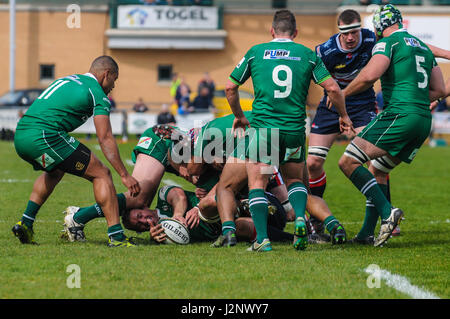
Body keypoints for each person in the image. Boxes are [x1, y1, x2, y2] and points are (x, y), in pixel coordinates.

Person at [216, 10, 354, 252]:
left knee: (258, 182)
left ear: (272, 31)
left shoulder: (256, 52)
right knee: (294, 180)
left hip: (264, 131)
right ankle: (300, 218)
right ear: (296, 33)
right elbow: (332, 88)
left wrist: (239, 116)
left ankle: (262, 240)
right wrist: (343, 116)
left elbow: (230, 87)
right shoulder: (307, 55)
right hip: (294, 130)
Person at [338, 4, 446, 247]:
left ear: (379, 26)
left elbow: (369, 76)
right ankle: (366, 233)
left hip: (400, 115)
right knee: (378, 171)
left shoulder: (388, 43)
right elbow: (439, 90)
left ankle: (388, 212)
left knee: (347, 161)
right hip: (422, 122)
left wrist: (342, 94)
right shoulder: (424, 49)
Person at [12, 55, 140, 247]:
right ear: (107, 74)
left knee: (55, 171)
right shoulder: (97, 92)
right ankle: (117, 237)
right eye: (115, 79)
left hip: (21, 135)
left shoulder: (67, 79)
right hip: (45, 135)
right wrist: (124, 174)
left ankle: (26, 223)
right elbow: (104, 137)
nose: (114, 85)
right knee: (102, 174)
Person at [307, 9, 379, 242]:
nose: (351, 37)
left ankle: (384, 216)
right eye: (346, 33)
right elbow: (322, 84)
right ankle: (316, 222)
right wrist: (341, 112)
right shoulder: (325, 51)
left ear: (360, 28)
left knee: (375, 161)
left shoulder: (371, 39)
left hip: (363, 104)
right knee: (313, 162)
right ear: (339, 31)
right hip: (331, 105)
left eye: (354, 31)